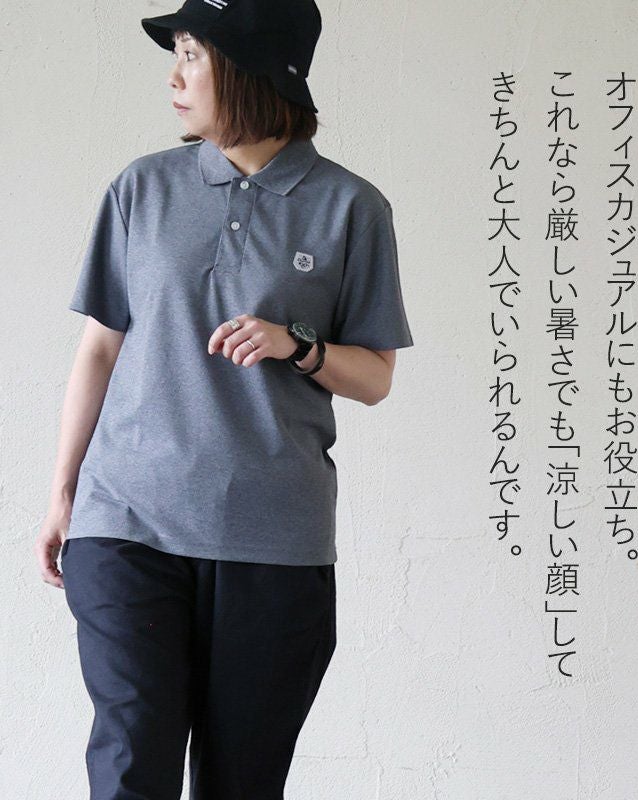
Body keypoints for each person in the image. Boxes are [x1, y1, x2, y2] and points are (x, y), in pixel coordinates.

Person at [34, 0, 414, 797]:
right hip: (128, 522)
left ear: (251, 70)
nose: (174, 78)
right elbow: (100, 347)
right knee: (131, 763)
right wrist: (64, 492)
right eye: (176, 53)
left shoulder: (351, 208)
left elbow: (375, 376)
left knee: (241, 783)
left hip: (273, 541)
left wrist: (297, 345)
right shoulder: (142, 189)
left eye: (192, 55)